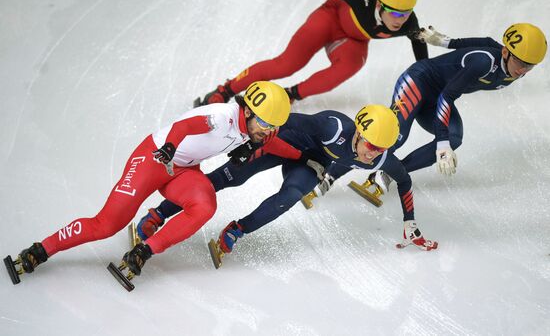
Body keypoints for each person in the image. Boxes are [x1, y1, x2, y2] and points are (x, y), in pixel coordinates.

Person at [4, 81, 293, 288]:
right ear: (248, 111)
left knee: (205, 205)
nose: (267, 132)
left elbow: (276, 144)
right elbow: (184, 128)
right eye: (266, 125)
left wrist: (308, 157)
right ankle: (41, 249)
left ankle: (143, 252)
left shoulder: (256, 129)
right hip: (154, 159)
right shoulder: (221, 117)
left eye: (273, 127)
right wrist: (169, 147)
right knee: (106, 225)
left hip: (183, 170)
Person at [137, 104, 438, 267]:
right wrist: (249, 143)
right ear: (358, 132)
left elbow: (405, 180)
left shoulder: (380, 159)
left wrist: (410, 220)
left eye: (380, 149)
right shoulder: (332, 127)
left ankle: (237, 229)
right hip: (285, 142)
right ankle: (160, 213)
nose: (371, 153)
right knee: (229, 177)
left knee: (292, 195)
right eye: (370, 145)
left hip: (311, 163)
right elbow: (283, 121)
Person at [195, 0, 428, 105]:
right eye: (396, 13)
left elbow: (421, 54)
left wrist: (425, 80)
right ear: (379, 3)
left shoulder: (410, 23)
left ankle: (290, 95)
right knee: (286, 65)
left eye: (406, 12)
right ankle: (225, 90)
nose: (401, 19)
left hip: (353, 40)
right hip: (330, 19)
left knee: (352, 64)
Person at [364, 22, 547, 191]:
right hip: (418, 82)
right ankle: (342, 161)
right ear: (506, 53)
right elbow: (447, 96)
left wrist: (444, 41)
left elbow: (487, 41)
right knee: (395, 137)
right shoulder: (483, 63)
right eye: (521, 63)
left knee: (454, 137)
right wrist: (441, 144)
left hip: (436, 97)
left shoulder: (513, 67)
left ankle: (388, 173)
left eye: (529, 66)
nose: (522, 70)